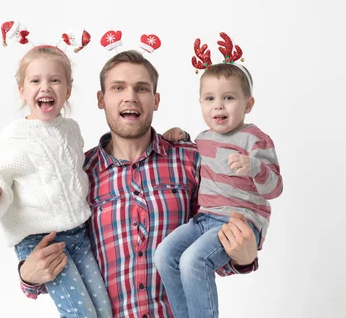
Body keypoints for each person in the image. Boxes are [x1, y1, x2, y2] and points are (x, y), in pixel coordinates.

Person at [18, 50, 260, 317]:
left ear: (156, 100)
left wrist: (243, 258)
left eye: (141, 88)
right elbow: (65, 262)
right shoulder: (78, 175)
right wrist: (28, 276)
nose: (130, 97)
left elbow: (207, 255)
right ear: (101, 99)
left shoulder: (191, 160)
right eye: (118, 87)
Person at [0, 45, 112, 318]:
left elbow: (72, 174)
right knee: (80, 313)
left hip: (79, 236)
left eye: (55, 80)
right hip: (42, 240)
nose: (45, 87)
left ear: (68, 90)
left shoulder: (72, 130)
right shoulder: (17, 136)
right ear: (22, 90)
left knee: (104, 311)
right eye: (35, 81)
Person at [155, 62, 283, 317]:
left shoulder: (254, 139)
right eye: (210, 98)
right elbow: (195, 152)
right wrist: (181, 135)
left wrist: (254, 166)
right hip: (205, 219)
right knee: (164, 255)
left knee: (193, 261)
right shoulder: (203, 138)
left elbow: (275, 189)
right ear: (200, 103)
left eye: (229, 97)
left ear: (248, 104)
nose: (218, 105)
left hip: (240, 222)